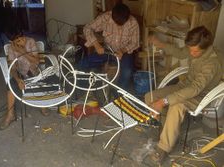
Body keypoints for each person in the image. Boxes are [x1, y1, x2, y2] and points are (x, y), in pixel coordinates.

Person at [144, 26, 223, 164]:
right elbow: (180, 52)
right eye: (190, 49)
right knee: (150, 96)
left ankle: (163, 148)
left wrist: (165, 101)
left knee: (176, 106)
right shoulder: (195, 47)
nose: (191, 53)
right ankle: (168, 128)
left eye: (195, 51)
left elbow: (195, 89)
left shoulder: (211, 63)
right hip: (185, 85)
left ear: (205, 48)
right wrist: (159, 43)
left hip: (201, 95)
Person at [0, 32, 50, 130]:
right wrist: (18, 80)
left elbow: (36, 61)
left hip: (34, 71)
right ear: (12, 41)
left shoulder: (30, 42)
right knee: (10, 85)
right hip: (21, 73)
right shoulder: (11, 48)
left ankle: (43, 104)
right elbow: (12, 68)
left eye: (22, 38)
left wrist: (22, 51)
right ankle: (10, 115)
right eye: (17, 41)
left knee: (44, 80)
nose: (22, 41)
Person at [83, 3, 140, 90]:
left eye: (122, 24)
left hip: (124, 53)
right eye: (116, 23)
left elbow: (134, 43)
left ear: (128, 17)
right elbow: (87, 28)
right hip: (106, 49)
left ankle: (119, 93)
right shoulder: (106, 17)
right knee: (84, 63)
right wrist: (96, 45)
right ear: (112, 14)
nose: (118, 26)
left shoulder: (133, 22)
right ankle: (82, 89)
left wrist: (123, 50)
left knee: (127, 72)